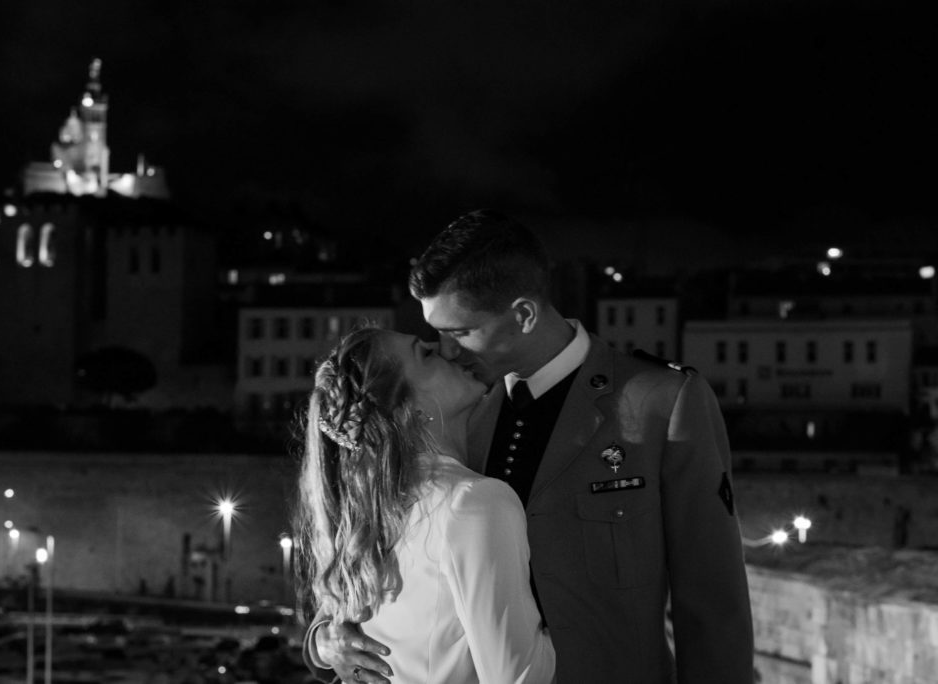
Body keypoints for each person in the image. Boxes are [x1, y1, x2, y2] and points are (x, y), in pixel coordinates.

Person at [307, 210, 755, 683]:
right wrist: (323, 637)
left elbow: (713, 602)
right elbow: (373, 531)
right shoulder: (454, 410)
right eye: (437, 335)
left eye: (459, 332)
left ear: (523, 314)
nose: (447, 351)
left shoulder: (662, 402)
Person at [294, 325, 556, 684]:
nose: (448, 348)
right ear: (408, 407)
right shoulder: (470, 501)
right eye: (427, 353)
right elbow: (518, 677)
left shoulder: (372, 507)